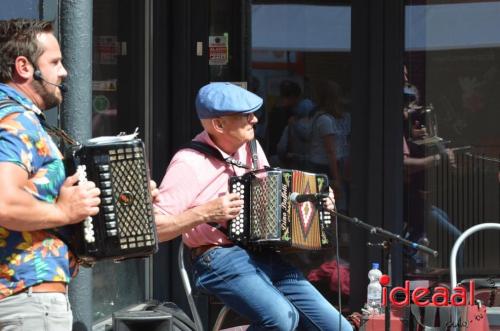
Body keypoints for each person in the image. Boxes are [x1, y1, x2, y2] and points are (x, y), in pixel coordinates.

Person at [154, 82, 352, 331]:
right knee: (282, 319)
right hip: (217, 256)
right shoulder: (189, 163)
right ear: (219, 124)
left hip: (262, 254)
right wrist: (205, 212)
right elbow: (155, 229)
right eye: (245, 115)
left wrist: (317, 202)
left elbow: (275, 201)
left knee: (338, 328)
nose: (255, 119)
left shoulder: (252, 149)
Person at [0, 19, 102, 330]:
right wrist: (62, 210)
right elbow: (4, 203)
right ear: (24, 67)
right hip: (27, 298)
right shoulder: (17, 123)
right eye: (55, 62)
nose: (64, 72)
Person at [308, 80, 351, 213]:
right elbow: (330, 151)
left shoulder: (337, 118)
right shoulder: (324, 120)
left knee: (335, 206)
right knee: (330, 206)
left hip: (334, 165)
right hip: (325, 167)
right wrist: (336, 178)